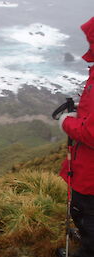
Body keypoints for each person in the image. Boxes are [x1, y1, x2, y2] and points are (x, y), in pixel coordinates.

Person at [59, 17, 94, 257]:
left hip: (90, 174)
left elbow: (92, 133)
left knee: (84, 213)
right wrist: (78, 115)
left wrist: (65, 122)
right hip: (86, 167)